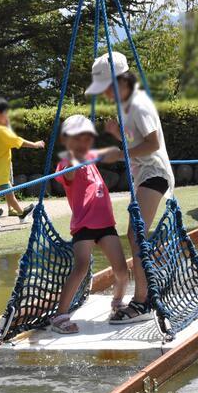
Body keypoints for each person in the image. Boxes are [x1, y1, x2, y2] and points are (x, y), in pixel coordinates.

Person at [87, 52, 175, 324]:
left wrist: (120, 152)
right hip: (146, 174)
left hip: (155, 173)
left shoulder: (137, 104)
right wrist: (118, 135)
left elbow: (153, 143)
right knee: (135, 233)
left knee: (135, 233)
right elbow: (138, 139)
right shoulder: (128, 105)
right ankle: (145, 294)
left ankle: (143, 301)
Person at [50, 115, 128, 334]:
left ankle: (118, 303)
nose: (83, 142)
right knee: (81, 267)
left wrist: (119, 140)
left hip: (105, 224)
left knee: (122, 270)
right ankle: (60, 316)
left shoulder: (91, 158)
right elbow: (70, 174)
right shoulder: (67, 162)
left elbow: (117, 154)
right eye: (77, 138)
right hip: (84, 225)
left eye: (86, 137)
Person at [0, 98, 44, 231]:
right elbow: (17, 141)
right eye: (5, 113)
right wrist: (35, 145)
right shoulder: (0, 130)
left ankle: (21, 213)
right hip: (0, 169)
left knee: (9, 193)